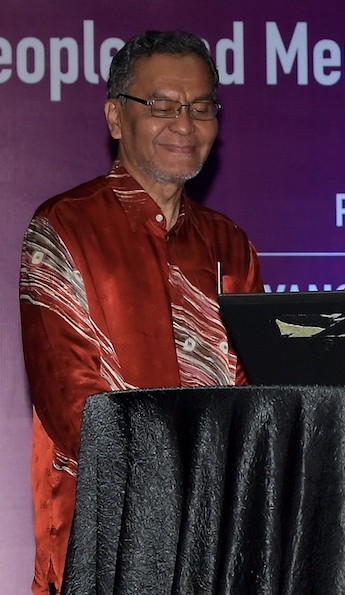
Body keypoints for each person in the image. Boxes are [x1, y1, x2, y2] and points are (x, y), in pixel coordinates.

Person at [19, 30, 262, 595]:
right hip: (106, 525)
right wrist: (172, 484)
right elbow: (68, 396)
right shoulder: (62, 227)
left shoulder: (231, 244)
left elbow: (255, 390)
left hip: (217, 534)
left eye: (201, 108)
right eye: (162, 107)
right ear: (114, 117)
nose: (185, 124)